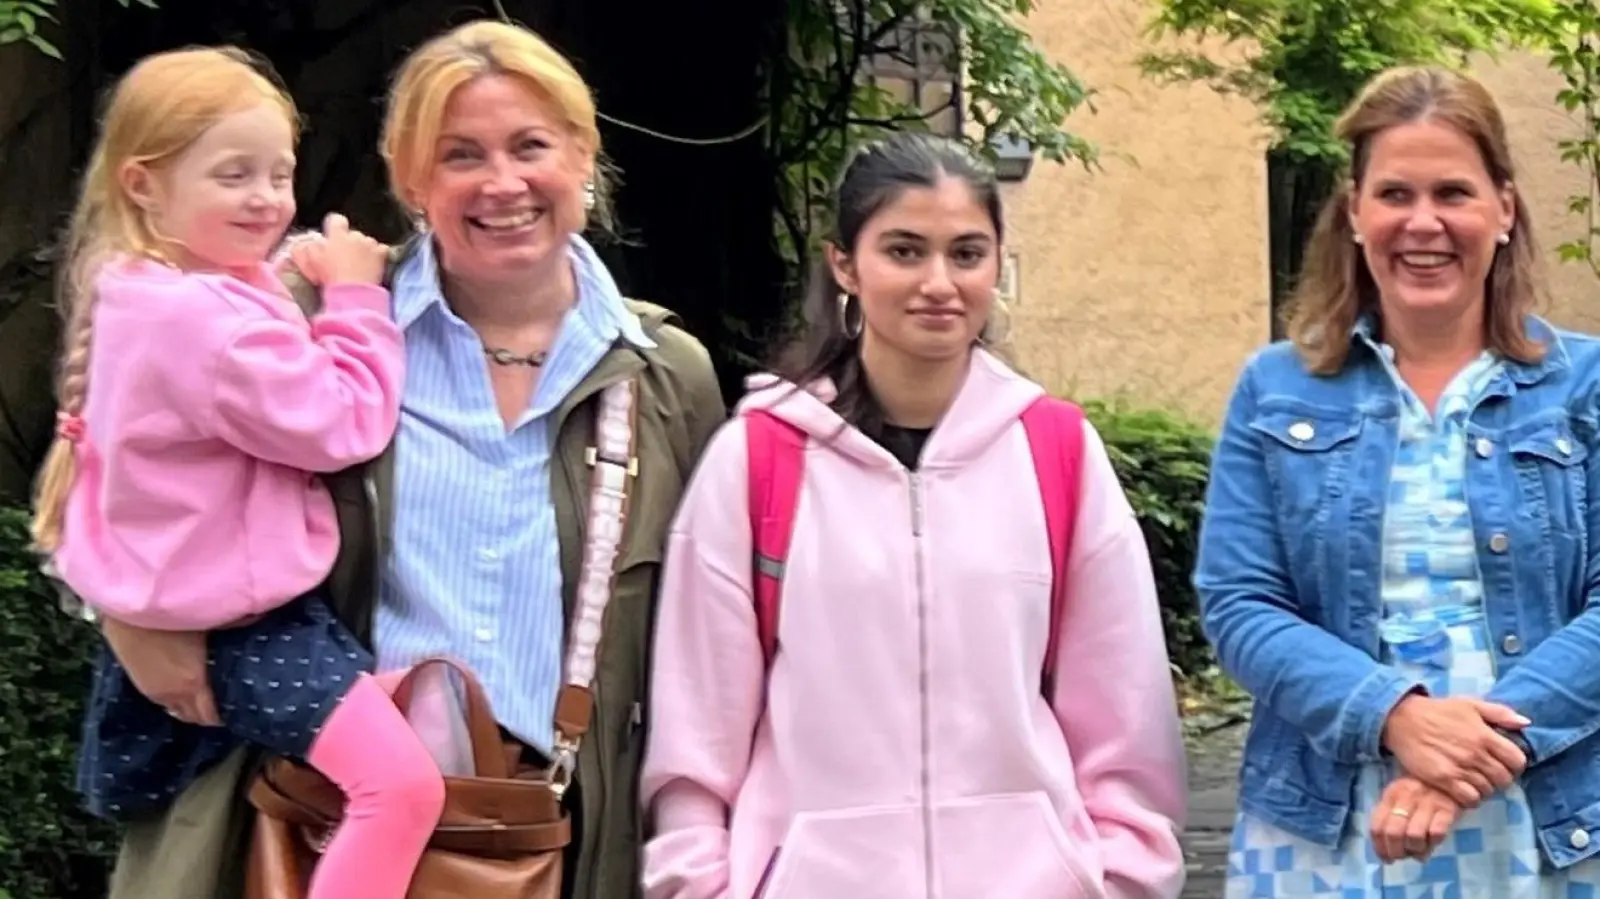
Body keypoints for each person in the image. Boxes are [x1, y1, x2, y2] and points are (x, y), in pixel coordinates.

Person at [90, 20, 726, 899]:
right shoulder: (309, 316)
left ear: (583, 156)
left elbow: (714, 636)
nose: (503, 183)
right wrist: (125, 616)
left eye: (532, 146)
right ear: (412, 179)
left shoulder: (666, 376)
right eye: (461, 154)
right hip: (299, 827)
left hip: (556, 842)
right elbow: (118, 459)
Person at [638, 132, 1188, 899]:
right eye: (904, 251)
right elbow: (698, 735)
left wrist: (1118, 880)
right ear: (844, 265)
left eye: (967, 253)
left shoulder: (1055, 452)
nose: (939, 282)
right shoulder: (760, 460)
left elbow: (1124, 718)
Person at [29, 46, 444, 899]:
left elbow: (246, 300)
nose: (266, 199)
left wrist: (291, 265)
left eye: (278, 174)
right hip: (248, 629)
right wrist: (358, 298)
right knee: (401, 787)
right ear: (144, 184)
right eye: (233, 176)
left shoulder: (149, 285)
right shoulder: (205, 326)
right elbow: (342, 423)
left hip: (198, 609)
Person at [1195, 65, 1600, 896]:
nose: (1424, 223)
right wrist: (1396, 715)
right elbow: (1239, 600)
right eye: (1394, 194)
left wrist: (1468, 756)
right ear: (1354, 213)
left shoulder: (1586, 386)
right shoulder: (1274, 387)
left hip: (1544, 813)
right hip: (1325, 820)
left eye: (1453, 191)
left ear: (1504, 210)